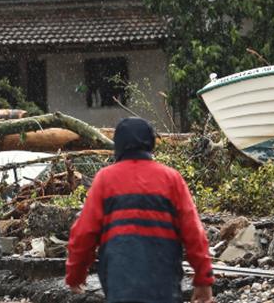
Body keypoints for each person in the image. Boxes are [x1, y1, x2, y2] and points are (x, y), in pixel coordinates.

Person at [65, 117, 215, 303]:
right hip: (164, 282)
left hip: (120, 283)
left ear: (117, 146)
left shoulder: (105, 179)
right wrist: (203, 280)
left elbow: (84, 233)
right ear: (151, 143)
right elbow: (194, 233)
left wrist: (75, 275)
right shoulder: (171, 179)